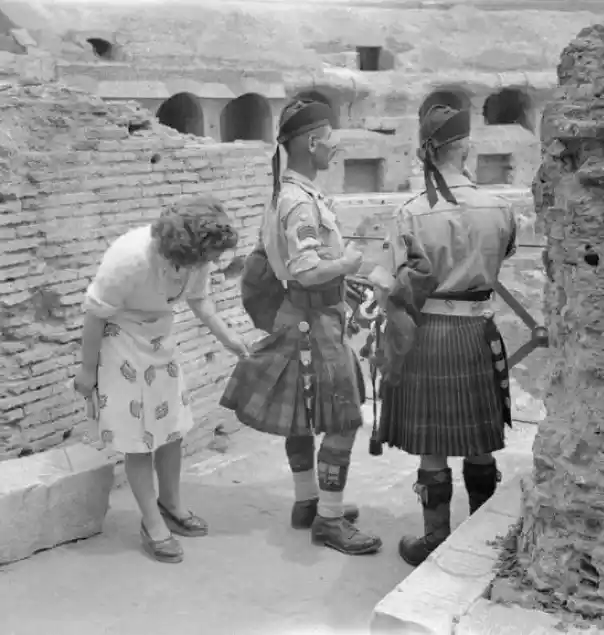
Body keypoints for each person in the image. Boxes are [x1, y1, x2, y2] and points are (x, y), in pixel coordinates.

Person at [221, 98, 382, 556]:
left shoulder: (283, 195)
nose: (334, 147)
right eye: (329, 139)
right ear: (312, 143)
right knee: (343, 417)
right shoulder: (300, 202)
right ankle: (329, 520)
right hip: (315, 322)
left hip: (299, 317)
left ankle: (307, 501)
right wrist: (348, 262)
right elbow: (308, 270)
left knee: (303, 415)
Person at [369, 104, 517, 567]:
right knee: (478, 439)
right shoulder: (501, 207)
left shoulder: (411, 213)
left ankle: (435, 539)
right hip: (477, 330)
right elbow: (504, 254)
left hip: (429, 332)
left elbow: (385, 280)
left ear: (424, 153)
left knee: (434, 444)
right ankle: (481, 535)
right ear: (466, 147)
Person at [73, 195, 249, 564]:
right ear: (185, 248)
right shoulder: (130, 257)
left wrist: (227, 336)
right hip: (121, 341)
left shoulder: (196, 257)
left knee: (170, 429)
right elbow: (94, 315)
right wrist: (87, 372)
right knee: (139, 439)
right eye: (209, 257)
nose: (213, 263)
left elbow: (200, 300)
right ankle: (152, 523)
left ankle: (171, 504)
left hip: (159, 340)